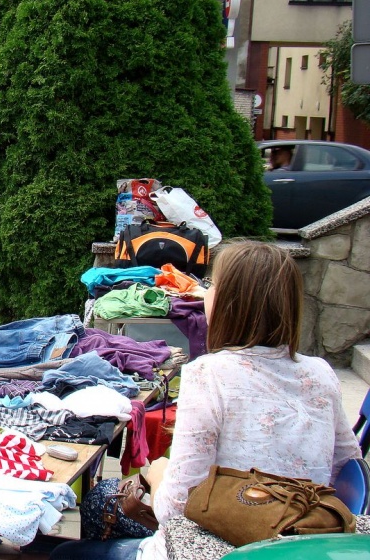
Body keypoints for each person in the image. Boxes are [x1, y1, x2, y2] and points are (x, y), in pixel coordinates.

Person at [49, 240, 361, 560]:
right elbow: (349, 469)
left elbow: (175, 509)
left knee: (71, 543)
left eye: (211, 284)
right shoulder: (321, 373)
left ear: (230, 302)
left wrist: (158, 473)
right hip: (303, 542)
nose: (204, 292)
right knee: (104, 498)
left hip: (221, 548)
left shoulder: (208, 374)